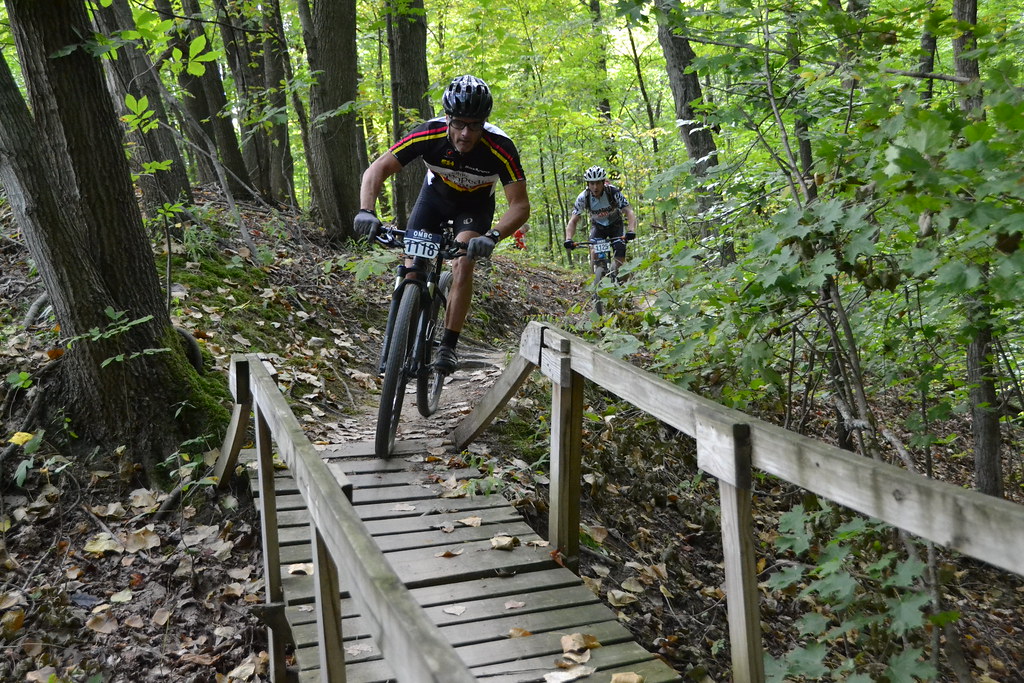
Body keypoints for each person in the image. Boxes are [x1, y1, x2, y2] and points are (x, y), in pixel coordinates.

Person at [354, 75, 530, 375]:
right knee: (413, 265)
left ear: (484, 123)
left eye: (474, 125)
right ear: (447, 118)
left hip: (474, 208)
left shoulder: (500, 146)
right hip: (435, 198)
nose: (465, 133)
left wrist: (493, 235)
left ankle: (448, 345)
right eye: (459, 123)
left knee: (463, 263)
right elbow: (377, 169)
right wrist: (366, 211)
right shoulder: (429, 134)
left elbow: (520, 205)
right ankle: (401, 335)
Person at [563, 165, 637, 269]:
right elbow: (573, 220)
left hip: (616, 226)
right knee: (594, 253)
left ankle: (622, 283)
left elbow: (629, 211)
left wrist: (631, 230)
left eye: (598, 183)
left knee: (620, 259)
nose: (595, 187)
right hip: (598, 227)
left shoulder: (613, 192)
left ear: (603, 182)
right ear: (588, 184)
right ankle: (597, 278)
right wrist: (568, 239)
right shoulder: (583, 197)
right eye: (592, 183)